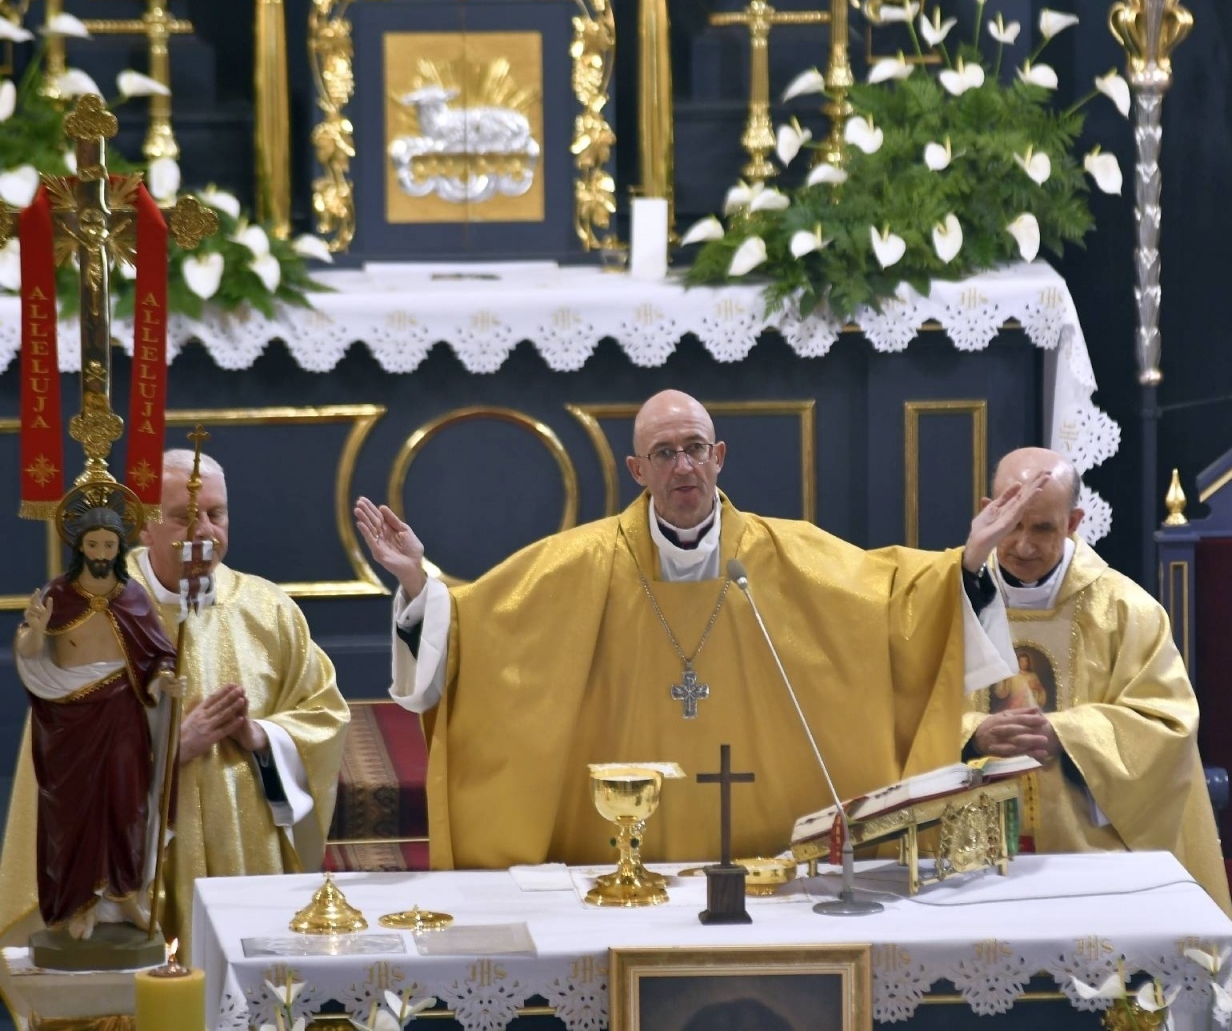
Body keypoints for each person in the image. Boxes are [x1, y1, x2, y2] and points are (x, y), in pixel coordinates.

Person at [354, 389, 1035, 868]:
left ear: (720, 457)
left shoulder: (787, 552)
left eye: (695, 449)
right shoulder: (581, 562)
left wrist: (970, 560)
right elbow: (481, 626)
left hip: (768, 834)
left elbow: (894, 602)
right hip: (611, 852)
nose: (683, 466)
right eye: (664, 453)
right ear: (637, 470)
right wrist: (418, 583)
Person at [0, 451, 349, 959]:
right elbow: (59, 750)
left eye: (217, 513)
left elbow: (324, 716)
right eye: (184, 516)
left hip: (243, 846)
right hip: (135, 857)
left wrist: (262, 736)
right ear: (143, 526)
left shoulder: (269, 610)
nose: (205, 530)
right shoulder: (95, 613)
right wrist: (167, 748)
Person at [964, 448, 1232, 915]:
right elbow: (900, 707)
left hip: (1089, 857)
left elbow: (1167, 724)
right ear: (989, 511)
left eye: (1043, 527)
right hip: (965, 855)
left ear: (1073, 523)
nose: (1023, 545)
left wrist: (1065, 734)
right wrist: (973, 732)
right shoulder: (949, 601)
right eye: (1011, 525)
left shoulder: (1126, 610)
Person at [8, 493, 180, 940]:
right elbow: (28, 651)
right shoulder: (57, 595)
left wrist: (164, 682)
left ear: (118, 549)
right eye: (94, 545)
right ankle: (79, 904)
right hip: (67, 720)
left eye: (109, 546)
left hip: (122, 712)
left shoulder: (133, 597)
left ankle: (125, 899)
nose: (101, 554)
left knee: (127, 804)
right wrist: (38, 630)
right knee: (72, 813)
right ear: (79, 547)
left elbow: (158, 656)